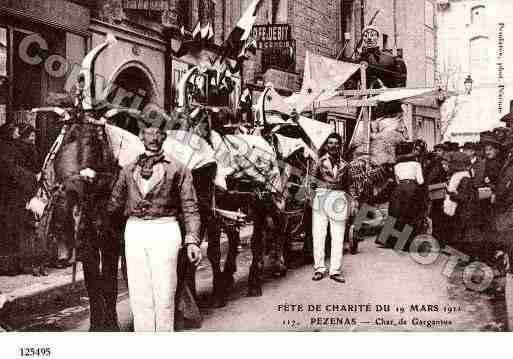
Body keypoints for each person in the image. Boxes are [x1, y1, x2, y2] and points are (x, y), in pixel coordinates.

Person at [107, 119, 201, 332]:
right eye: (148, 133)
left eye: (158, 133)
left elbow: (190, 207)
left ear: (164, 137)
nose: (153, 138)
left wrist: (192, 241)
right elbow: (113, 205)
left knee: (165, 293)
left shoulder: (179, 169)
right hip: (135, 231)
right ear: (140, 136)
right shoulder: (127, 169)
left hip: (165, 230)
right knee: (139, 296)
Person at [311, 133, 351, 283]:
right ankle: (319, 269)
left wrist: (351, 203)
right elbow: (312, 183)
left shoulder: (345, 165)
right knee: (319, 235)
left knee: (338, 235)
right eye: (331, 143)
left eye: (336, 143)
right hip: (321, 198)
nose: (334, 146)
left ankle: (335, 270)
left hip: (339, 199)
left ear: (340, 146)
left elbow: (348, 186)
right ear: (327, 146)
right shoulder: (319, 162)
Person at [0, 122, 38, 275]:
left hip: (12, 196)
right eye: (15, 132)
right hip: (7, 197)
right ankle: (7, 266)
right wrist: (32, 178)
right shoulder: (5, 148)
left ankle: (13, 264)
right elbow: (12, 170)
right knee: (9, 230)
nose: (17, 134)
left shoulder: (10, 147)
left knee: (13, 230)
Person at [387, 141, 424, 250]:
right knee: (410, 215)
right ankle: (408, 244)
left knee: (396, 214)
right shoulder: (416, 164)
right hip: (411, 189)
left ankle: (393, 242)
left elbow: (397, 181)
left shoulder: (397, 165)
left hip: (398, 190)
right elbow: (421, 181)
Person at [444, 152, 481, 257]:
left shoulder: (463, 179)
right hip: (467, 211)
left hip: (466, 212)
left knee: (464, 235)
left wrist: (451, 194)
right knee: (463, 234)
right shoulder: (465, 176)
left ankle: (465, 256)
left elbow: (464, 197)